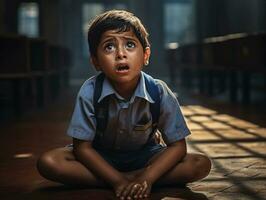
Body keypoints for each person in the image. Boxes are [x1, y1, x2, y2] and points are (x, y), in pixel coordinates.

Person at [37, 10, 211, 200]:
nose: (120, 54)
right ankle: (125, 181)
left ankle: (133, 180)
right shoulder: (90, 91)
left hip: (146, 157)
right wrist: (117, 181)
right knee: (49, 162)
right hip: (100, 156)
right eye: (109, 47)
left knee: (199, 164)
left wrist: (148, 177)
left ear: (146, 55)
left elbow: (178, 146)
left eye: (129, 45)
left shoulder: (159, 91)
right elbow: (83, 148)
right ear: (95, 61)